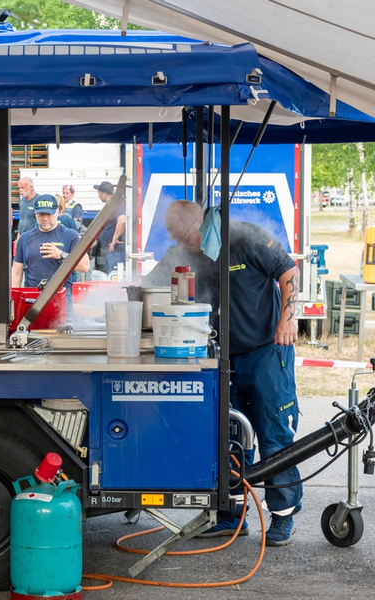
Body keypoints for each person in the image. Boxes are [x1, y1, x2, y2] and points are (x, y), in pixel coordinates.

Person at [146, 200, 302, 547]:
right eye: (177, 239)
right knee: (230, 438)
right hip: (224, 357)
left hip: (266, 351)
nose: (184, 244)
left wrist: (288, 319)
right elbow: (148, 286)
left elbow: (289, 272)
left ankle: (282, 515)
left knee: (274, 434)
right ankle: (232, 515)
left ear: (199, 221)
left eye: (185, 236)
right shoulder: (188, 251)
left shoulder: (243, 236)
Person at [11, 194, 89, 317]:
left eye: (49, 214)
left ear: (57, 212)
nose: (45, 218)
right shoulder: (25, 238)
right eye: (41, 214)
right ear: (35, 214)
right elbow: (16, 272)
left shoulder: (70, 235)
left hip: (62, 299)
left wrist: (61, 255)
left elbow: (85, 266)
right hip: (32, 300)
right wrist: (13, 302)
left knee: (62, 335)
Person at [93, 180, 126, 276]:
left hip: (116, 251)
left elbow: (122, 220)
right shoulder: (112, 205)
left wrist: (114, 238)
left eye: (99, 193)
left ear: (104, 194)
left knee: (114, 277)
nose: (98, 195)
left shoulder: (116, 204)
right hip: (112, 252)